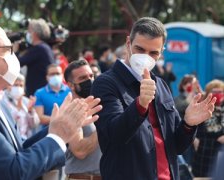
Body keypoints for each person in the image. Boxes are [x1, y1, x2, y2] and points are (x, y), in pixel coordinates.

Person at [0, 20, 102, 180]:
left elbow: (18, 151)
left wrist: (61, 125)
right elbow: (13, 171)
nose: (14, 57)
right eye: (8, 50)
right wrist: (58, 136)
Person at [91, 17, 216, 180]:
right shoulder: (106, 83)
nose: (145, 57)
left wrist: (188, 124)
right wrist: (140, 105)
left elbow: (176, 147)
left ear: (161, 52)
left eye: (153, 53)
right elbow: (114, 136)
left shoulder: (161, 85)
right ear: (128, 43)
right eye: (140, 49)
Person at [64, 60, 102, 180]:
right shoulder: (70, 111)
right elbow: (79, 151)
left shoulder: (98, 105)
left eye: (91, 76)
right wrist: (105, 126)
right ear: (70, 85)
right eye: (82, 78)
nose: (90, 81)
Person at [192, 79, 224, 177]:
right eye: (214, 92)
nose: (218, 94)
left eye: (220, 92)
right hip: (203, 155)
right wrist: (193, 139)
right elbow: (191, 125)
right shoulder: (202, 107)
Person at [18, 18, 54, 96]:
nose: (27, 33)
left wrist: (15, 51)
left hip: (37, 93)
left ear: (34, 33)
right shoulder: (45, 47)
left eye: (29, 31)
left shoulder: (38, 49)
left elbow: (18, 63)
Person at [2, 74, 39, 139]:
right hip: (9, 138)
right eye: (15, 85)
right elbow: (7, 121)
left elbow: (34, 125)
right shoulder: (2, 99)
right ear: (8, 85)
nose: (18, 88)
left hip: (25, 139)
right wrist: (18, 110)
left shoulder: (26, 101)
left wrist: (30, 111)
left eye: (21, 85)